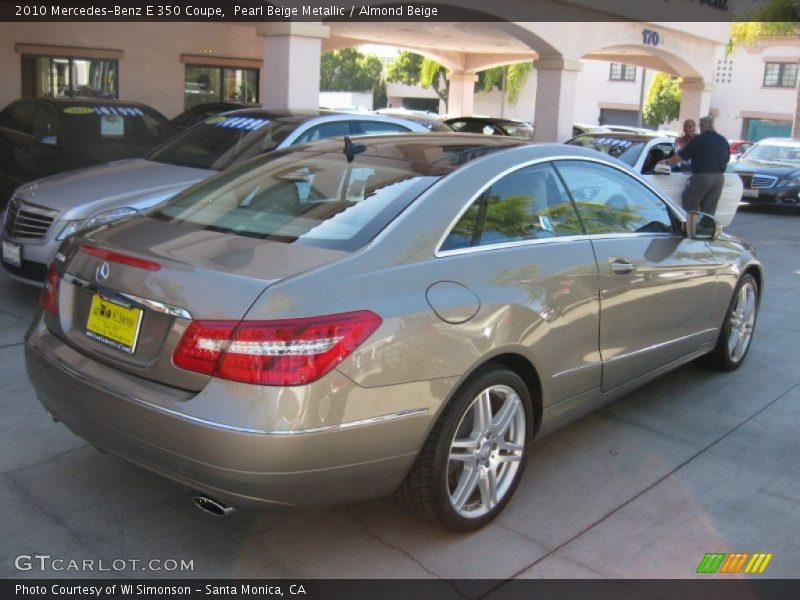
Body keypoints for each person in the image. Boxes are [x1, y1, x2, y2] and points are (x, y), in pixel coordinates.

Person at [660, 114, 730, 217]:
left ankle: (690, 229)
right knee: (709, 209)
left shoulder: (700, 139)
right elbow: (727, 159)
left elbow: (682, 156)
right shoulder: (722, 140)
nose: (699, 129)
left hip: (703, 177)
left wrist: (666, 162)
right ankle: (706, 230)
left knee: (689, 200)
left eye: (700, 126)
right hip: (719, 178)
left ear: (704, 126)